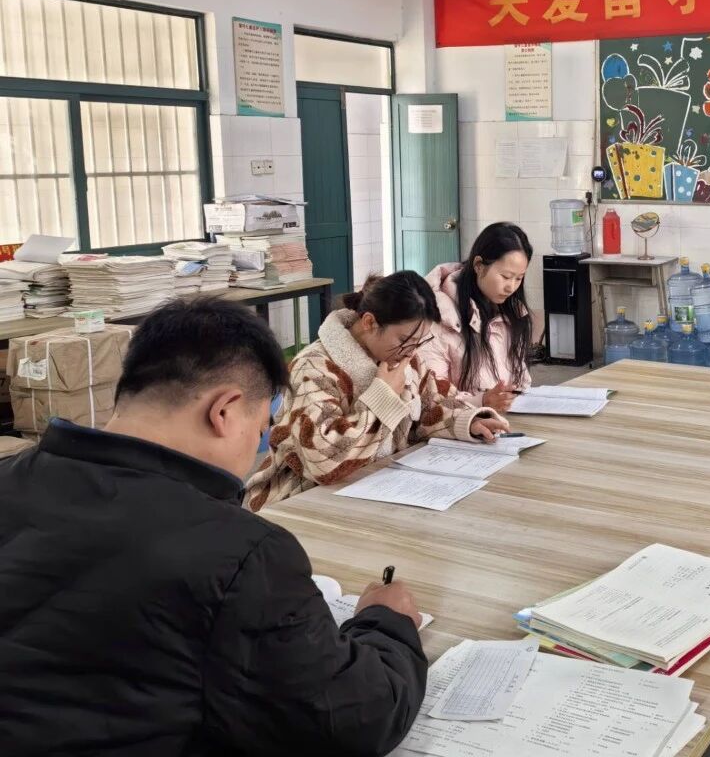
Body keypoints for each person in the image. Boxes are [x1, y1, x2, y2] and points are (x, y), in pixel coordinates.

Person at [0, 297, 428, 755]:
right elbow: (354, 719)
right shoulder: (239, 553)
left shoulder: (10, 478)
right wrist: (387, 624)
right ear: (224, 411)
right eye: (260, 430)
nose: (256, 452)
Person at [245, 270, 508, 512]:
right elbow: (322, 461)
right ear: (369, 322)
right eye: (404, 340)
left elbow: (430, 407)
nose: (412, 351)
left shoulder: (405, 357)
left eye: (419, 342)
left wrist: (468, 422)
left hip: (376, 486)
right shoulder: (313, 368)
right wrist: (384, 398)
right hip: (301, 499)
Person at [422, 222, 534, 412]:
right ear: (479, 266)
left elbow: (521, 382)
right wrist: (480, 401)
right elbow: (430, 398)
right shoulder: (439, 317)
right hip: (461, 425)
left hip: (505, 420)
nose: (511, 287)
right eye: (506, 276)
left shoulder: (512, 314)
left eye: (519, 278)